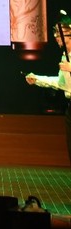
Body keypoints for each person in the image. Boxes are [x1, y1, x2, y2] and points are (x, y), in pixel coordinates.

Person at [26, 15, 71, 166]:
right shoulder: (65, 56)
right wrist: (37, 79)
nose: (57, 37)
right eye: (56, 33)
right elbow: (61, 83)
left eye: (61, 33)